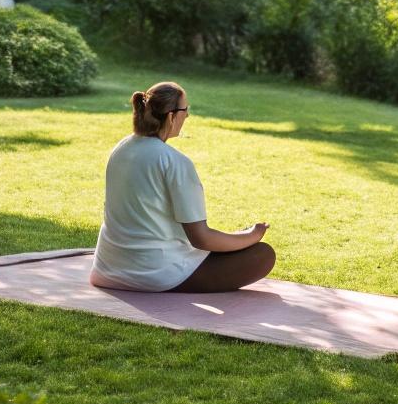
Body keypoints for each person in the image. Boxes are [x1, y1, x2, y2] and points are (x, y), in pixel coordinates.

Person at [88, 81, 276, 293]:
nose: (187, 116)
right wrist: (252, 235)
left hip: (108, 268)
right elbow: (200, 238)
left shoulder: (121, 148)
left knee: (234, 245)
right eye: (186, 110)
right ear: (171, 116)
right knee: (262, 254)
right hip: (156, 274)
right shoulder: (174, 162)